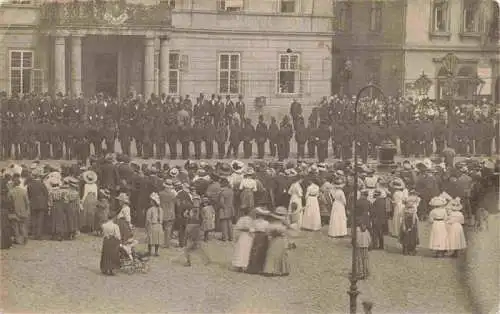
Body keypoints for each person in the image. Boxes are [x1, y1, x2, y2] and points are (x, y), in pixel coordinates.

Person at [262, 206, 290, 277]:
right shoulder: (283, 226)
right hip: (281, 240)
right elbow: (285, 232)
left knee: (272, 254)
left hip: (274, 241)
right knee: (281, 254)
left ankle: (270, 269)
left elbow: (267, 232)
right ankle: (282, 270)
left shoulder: (271, 225)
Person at [184, 196, 210, 267]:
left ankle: (190, 261)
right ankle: (203, 260)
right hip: (195, 227)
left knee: (190, 245)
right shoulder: (200, 209)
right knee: (195, 245)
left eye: (196, 200)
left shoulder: (192, 209)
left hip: (192, 227)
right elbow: (204, 219)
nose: (195, 202)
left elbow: (185, 215)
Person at [246, 207, 270, 274]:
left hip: (256, 236)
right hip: (263, 237)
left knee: (254, 251)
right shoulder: (266, 223)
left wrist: (253, 236)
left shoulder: (254, 222)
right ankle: (260, 268)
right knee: (262, 251)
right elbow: (268, 231)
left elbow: (251, 230)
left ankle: (253, 268)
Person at [7, 175, 30, 245]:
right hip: (23, 211)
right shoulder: (23, 191)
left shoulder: (11, 192)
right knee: (22, 225)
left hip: (14, 211)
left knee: (15, 226)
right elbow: (27, 202)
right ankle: (25, 237)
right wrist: (27, 210)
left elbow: (9, 202)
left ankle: (18, 240)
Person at [232, 207, 255, 272]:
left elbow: (237, 227)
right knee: (245, 250)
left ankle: (240, 265)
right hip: (247, 235)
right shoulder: (250, 219)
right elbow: (252, 228)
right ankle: (243, 265)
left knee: (242, 250)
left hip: (244, 235)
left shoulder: (241, 219)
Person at [100, 211, 121, 276]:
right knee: (113, 255)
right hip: (113, 241)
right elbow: (118, 236)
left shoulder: (104, 225)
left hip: (106, 240)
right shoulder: (115, 226)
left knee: (106, 254)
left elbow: (103, 234)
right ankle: (112, 269)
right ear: (114, 218)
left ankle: (105, 268)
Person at [159, 179, 177, 248]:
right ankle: (167, 243)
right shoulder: (173, 195)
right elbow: (175, 203)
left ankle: (164, 243)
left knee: (163, 229)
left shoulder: (161, 194)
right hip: (171, 213)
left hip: (163, 213)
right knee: (168, 229)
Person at [145, 192, 163, 257]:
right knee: (157, 239)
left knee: (150, 239)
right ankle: (156, 252)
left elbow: (148, 219)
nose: (150, 201)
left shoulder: (150, 210)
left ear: (153, 201)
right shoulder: (161, 209)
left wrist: (146, 226)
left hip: (153, 225)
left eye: (151, 200)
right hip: (159, 225)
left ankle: (149, 251)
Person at [80, 170, 98, 234]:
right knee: (92, 213)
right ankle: (91, 227)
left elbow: (85, 194)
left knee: (85, 213)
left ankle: (85, 227)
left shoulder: (86, 185)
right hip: (93, 198)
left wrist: (82, 201)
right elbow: (96, 194)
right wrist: (96, 200)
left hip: (88, 198)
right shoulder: (95, 185)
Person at [218, 177, 234, 241]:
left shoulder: (222, 192)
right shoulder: (231, 191)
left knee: (223, 224)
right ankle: (231, 237)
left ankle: (225, 237)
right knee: (230, 223)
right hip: (230, 208)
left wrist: (223, 208)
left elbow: (221, 202)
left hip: (224, 208)